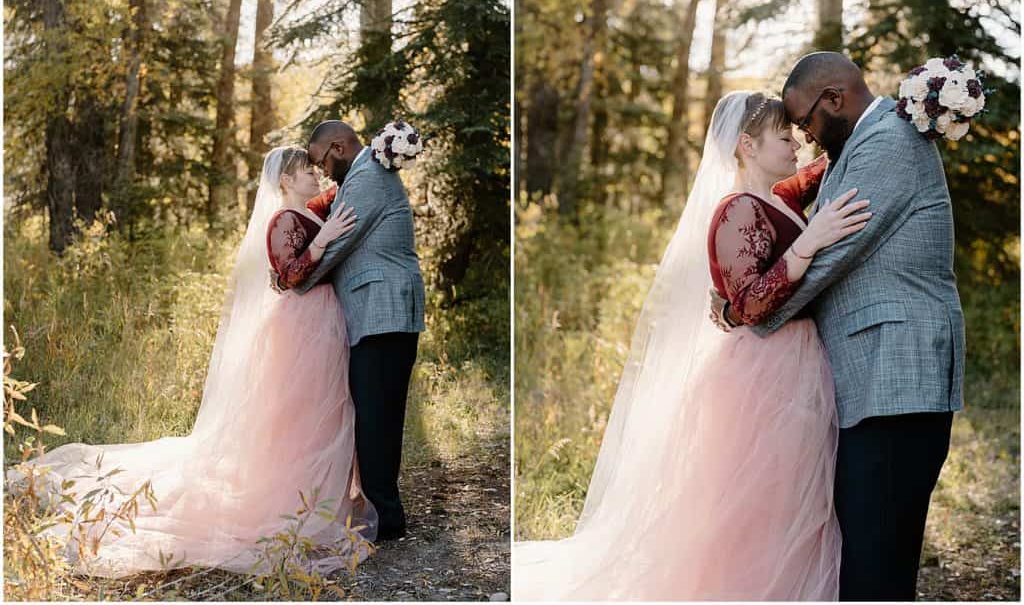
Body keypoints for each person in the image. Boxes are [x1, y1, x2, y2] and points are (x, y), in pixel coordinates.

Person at [514, 91, 869, 600]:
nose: (797, 146)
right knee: (759, 502)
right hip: (761, 372)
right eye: (785, 138)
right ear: (747, 145)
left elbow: (828, 161)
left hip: (800, 362)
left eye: (796, 137)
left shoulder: (779, 198)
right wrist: (811, 243)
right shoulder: (735, 211)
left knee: (799, 499)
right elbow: (748, 303)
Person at [8, 147, 377, 578]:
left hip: (324, 323)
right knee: (297, 416)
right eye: (305, 172)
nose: (315, 176)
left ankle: (323, 492)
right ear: (284, 182)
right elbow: (288, 275)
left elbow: (340, 197)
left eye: (315, 170)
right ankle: (293, 499)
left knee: (325, 410)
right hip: (300, 326)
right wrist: (324, 238)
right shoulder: (281, 221)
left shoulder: (311, 211)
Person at [718, 52, 964, 600]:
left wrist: (751, 311)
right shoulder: (850, 150)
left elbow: (835, 255)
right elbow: (772, 204)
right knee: (869, 554)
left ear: (834, 99)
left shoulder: (890, 143)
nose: (803, 134)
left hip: (898, 375)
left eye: (804, 121)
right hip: (871, 382)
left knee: (876, 560)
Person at [291, 120, 426, 541]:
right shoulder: (367, 173)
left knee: (375, 417)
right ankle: (386, 513)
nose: (324, 172)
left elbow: (337, 248)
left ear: (337, 147)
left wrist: (294, 281)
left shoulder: (367, 177)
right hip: (381, 313)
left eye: (320, 161)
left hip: (382, 311)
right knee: (379, 415)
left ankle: (385, 518)